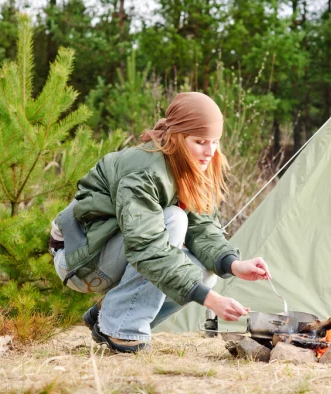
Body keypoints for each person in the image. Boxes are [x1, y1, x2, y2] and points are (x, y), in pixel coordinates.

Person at [49, 92, 271, 353]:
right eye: (200, 141)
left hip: (113, 252)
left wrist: (233, 264)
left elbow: (202, 227)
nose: (210, 151)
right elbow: (147, 249)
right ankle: (123, 331)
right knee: (174, 220)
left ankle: (108, 314)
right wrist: (210, 301)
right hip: (80, 260)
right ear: (177, 137)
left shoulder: (189, 166)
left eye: (215, 142)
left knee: (205, 273)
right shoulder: (144, 172)